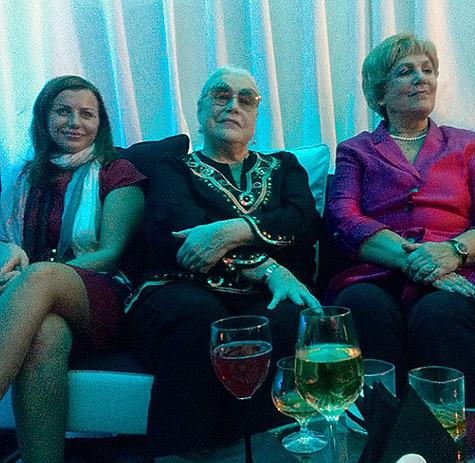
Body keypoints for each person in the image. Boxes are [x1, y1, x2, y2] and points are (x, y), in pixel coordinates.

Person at [125, 66, 321, 457]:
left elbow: (303, 221)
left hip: (266, 295)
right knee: (200, 318)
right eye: (221, 95)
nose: (233, 105)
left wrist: (234, 230)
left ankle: (264, 454)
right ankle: (181, 456)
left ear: (256, 115)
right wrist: (268, 267)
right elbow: (179, 229)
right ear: (199, 109)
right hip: (181, 286)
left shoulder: (284, 167)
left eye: (246, 99)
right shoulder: (172, 167)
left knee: (286, 319)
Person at [0, 75, 145, 463]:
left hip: (103, 294)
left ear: (100, 123)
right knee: (45, 335)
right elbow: (5, 242)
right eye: (63, 111)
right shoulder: (24, 177)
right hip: (36, 301)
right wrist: (11, 261)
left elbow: (110, 254)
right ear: (44, 117)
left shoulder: (117, 172)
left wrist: (33, 278)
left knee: (41, 276)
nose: (74, 122)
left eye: (87, 114)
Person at [327, 32, 475, 401]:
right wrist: (419, 261)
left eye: (427, 70)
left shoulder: (466, 144)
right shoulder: (355, 150)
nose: (421, 78)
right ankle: (380, 426)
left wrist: (452, 252)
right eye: (406, 72)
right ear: (380, 93)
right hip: (376, 272)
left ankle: (450, 428)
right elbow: (343, 217)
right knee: (362, 304)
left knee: (439, 313)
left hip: (455, 273)